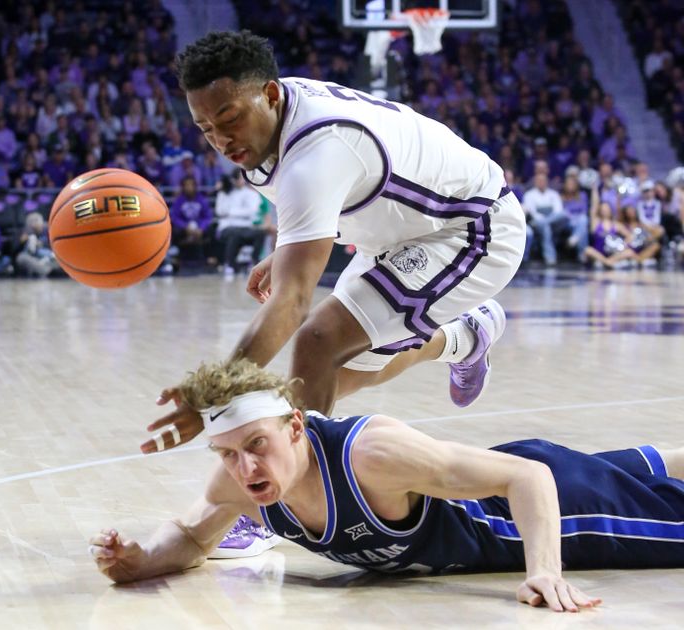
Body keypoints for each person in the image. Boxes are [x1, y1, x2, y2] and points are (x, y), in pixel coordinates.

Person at [144, 31, 525, 555]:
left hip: (469, 228)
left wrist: (209, 396)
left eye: (230, 118)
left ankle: (278, 509)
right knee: (337, 375)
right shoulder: (271, 123)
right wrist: (285, 252)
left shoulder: (317, 150)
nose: (221, 138)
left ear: (270, 94)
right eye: (206, 128)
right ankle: (464, 337)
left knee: (317, 343)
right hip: (393, 231)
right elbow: (333, 201)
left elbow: (294, 301)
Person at [90, 359, 684, 613]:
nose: (245, 469)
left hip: (541, 507)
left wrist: (546, 570)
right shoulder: (244, 479)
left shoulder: (369, 454)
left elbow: (528, 477)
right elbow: (192, 537)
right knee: (658, 467)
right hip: (528, 473)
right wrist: (140, 560)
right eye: (227, 453)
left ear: (296, 426)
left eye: (256, 446)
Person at [214, 170, 266, 276]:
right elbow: (220, 211)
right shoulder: (224, 192)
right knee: (234, 233)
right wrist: (238, 212)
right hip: (227, 227)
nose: (238, 180)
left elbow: (252, 211)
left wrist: (231, 212)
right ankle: (229, 264)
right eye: (236, 178)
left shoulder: (252, 194)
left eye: (241, 178)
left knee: (260, 233)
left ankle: (253, 261)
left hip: (246, 227)